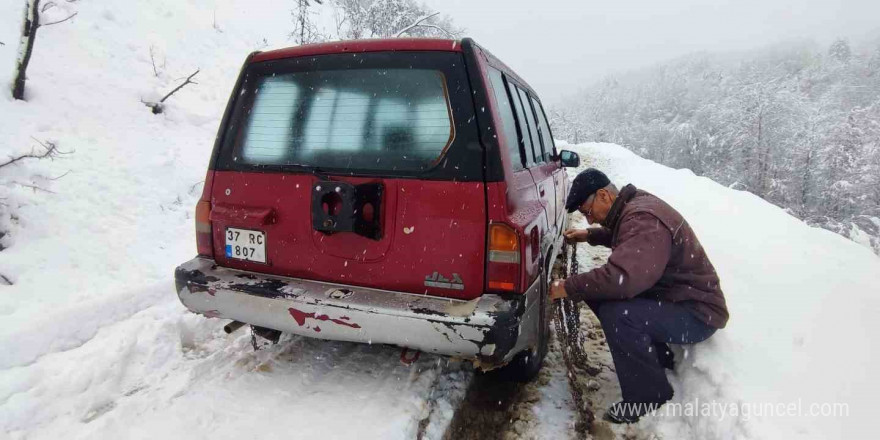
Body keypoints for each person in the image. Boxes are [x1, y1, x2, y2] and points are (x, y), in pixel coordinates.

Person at [549, 168, 729, 424]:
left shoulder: (643, 218)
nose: (589, 220)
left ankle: (649, 395)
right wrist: (590, 236)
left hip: (697, 313)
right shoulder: (633, 207)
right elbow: (626, 236)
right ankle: (655, 357)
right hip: (676, 298)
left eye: (587, 213)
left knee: (617, 312)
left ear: (603, 195)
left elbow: (622, 278)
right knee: (599, 294)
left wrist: (568, 286)